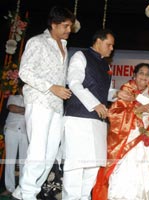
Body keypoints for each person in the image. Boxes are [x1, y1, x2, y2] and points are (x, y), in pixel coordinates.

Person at [11, 6, 75, 200]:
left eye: (70, 26)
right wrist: (51, 87)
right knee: (37, 151)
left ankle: (22, 192)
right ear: (53, 24)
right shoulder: (37, 42)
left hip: (56, 106)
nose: (69, 30)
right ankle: (28, 193)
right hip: (39, 101)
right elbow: (25, 72)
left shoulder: (63, 46)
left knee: (50, 155)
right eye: (65, 26)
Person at [62, 29, 132, 199]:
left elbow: (103, 91)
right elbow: (74, 83)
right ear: (98, 41)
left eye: (113, 46)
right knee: (76, 167)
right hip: (78, 119)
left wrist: (116, 94)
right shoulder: (81, 55)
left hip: (98, 122)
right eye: (109, 44)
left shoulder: (106, 65)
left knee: (93, 168)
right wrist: (95, 104)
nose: (112, 49)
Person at [92, 63, 149, 200]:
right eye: (141, 73)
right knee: (126, 178)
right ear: (134, 75)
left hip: (145, 143)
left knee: (146, 179)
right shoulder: (126, 91)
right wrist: (137, 110)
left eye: (147, 74)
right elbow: (114, 114)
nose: (144, 77)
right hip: (127, 141)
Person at [0, 82, 28, 197]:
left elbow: (18, 110)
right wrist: (26, 110)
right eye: (23, 88)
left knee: (24, 161)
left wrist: (21, 110)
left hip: (25, 132)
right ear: (20, 89)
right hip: (12, 130)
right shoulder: (13, 97)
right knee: (10, 160)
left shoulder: (32, 100)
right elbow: (12, 108)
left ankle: (22, 189)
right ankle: (10, 188)